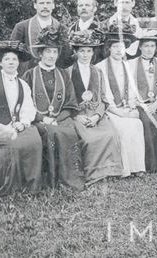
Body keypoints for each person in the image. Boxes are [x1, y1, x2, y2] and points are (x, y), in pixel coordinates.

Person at [0, 41, 43, 198]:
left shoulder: (23, 85)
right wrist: (1, 127)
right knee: (13, 143)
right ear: (0, 62)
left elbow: (29, 108)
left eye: (14, 59)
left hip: (16, 126)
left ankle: (31, 185)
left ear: (18, 62)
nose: (11, 62)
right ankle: (11, 187)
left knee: (35, 140)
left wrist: (24, 122)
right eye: (7, 59)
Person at [21, 27, 85, 190]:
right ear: (40, 53)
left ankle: (69, 179)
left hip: (62, 118)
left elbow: (70, 103)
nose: (51, 56)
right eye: (47, 51)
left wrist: (57, 119)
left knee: (69, 132)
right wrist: (44, 119)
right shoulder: (29, 75)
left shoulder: (63, 74)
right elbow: (24, 104)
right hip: (37, 120)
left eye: (54, 52)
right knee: (51, 132)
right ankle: (52, 179)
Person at [66, 30, 123, 184]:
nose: (85, 55)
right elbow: (65, 101)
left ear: (93, 53)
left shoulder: (98, 72)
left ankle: (109, 171)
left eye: (89, 51)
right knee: (89, 139)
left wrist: (97, 116)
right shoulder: (68, 73)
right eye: (82, 51)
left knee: (111, 134)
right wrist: (77, 116)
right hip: (78, 115)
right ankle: (93, 174)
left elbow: (104, 99)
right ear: (76, 52)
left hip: (96, 113)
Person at [96, 30, 146, 177]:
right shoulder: (100, 67)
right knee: (124, 126)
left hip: (126, 108)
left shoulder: (128, 66)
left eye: (122, 47)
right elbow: (104, 96)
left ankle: (138, 166)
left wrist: (131, 107)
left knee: (137, 124)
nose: (119, 50)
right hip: (110, 110)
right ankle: (125, 168)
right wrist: (120, 112)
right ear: (109, 49)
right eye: (115, 47)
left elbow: (132, 89)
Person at [128, 30, 157, 172]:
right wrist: (143, 105)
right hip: (140, 104)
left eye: (152, 46)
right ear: (140, 47)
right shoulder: (131, 64)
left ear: (156, 48)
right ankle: (150, 164)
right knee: (146, 122)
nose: (149, 49)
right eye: (146, 46)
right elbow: (130, 88)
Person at [10, 0, 67, 73]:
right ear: (35, 5)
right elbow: (13, 55)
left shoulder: (61, 28)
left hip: (54, 76)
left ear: (53, 5)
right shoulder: (22, 27)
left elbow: (64, 57)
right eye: (41, 3)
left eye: (48, 3)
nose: (45, 6)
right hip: (28, 76)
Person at [66, 0, 104, 64]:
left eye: (87, 5)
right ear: (77, 9)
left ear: (95, 8)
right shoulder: (70, 30)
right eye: (80, 5)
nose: (83, 8)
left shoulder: (102, 29)